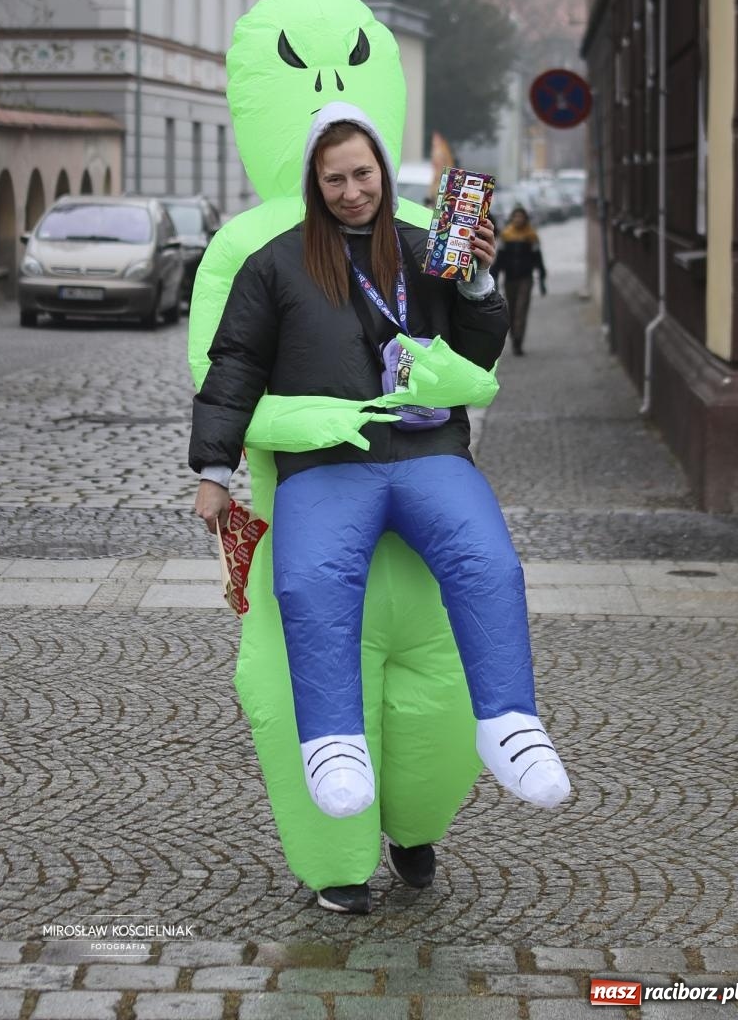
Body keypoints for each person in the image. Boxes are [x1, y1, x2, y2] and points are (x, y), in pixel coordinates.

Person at [190, 101, 570, 911]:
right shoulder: (275, 263)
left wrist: (475, 282)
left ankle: (511, 725)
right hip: (329, 466)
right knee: (308, 581)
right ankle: (333, 745)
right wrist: (214, 468)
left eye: (363, 174)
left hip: (430, 454)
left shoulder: (431, 246)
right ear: (314, 183)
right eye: (336, 179)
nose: (353, 191)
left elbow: (479, 347)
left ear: (383, 169)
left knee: (489, 562)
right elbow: (234, 365)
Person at [492, 205, 547, 355]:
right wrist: (494, 277)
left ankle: (518, 339)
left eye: (521, 216)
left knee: (521, 310)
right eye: (515, 216)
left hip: (525, 279)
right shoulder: (506, 236)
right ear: (512, 218)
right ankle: (514, 334)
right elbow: (499, 260)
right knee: (512, 309)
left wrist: (542, 278)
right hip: (509, 279)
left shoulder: (531, 236)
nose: (518, 219)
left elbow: (538, 259)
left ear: (525, 218)